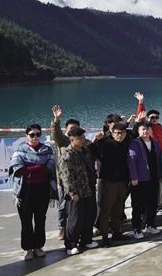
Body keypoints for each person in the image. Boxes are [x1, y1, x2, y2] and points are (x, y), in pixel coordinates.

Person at [10, 125, 56, 260]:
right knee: (26, 221)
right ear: (26, 136)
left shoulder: (47, 150)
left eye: (38, 134)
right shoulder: (20, 150)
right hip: (25, 190)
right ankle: (28, 248)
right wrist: (39, 167)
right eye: (32, 134)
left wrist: (29, 168)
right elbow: (17, 169)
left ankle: (38, 246)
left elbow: (50, 168)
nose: (35, 137)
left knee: (40, 220)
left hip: (42, 190)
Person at [88, 121, 131, 246]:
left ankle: (117, 233)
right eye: (117, 133)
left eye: (122, 133)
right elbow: (91, 150)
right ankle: (105, 236)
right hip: (108, 182)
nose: (119, 135)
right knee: (106, 210)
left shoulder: (126, 143)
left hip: (121, 181)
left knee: (118, 208)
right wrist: (96, 140)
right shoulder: (105, 143)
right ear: (112, 133)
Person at [58, 126, 98, 255]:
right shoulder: (67, 155)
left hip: (88, 188)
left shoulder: (85, 150)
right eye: (79, 138)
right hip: (76, 192)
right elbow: (66, 177)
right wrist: (72, 192)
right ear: (72, 140)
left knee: (89, 216)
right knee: (75, 219)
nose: (83, 140)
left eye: (83, 137)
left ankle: (86, 240)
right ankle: (70, 245)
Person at [50, 105, 80, 240]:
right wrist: (56, 120)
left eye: (75, 128)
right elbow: (55, 134)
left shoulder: (82, 141)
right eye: (70, 129)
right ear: (66, 130)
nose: (72, 131)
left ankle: (76, 227)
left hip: (79, 180)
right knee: (63, 205)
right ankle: (62, 227)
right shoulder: (63, 140)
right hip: (64, 180)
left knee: (78, 205)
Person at [128, 121, 162, 239]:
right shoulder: (134, 143)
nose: (145, 131)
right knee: (138, 205)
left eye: (147, 129)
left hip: (153, 177)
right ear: (138, 131)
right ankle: (136, 228)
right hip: (140, 179)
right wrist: (134, 177)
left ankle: (150, 225)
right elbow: (131, 161)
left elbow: (158, 159)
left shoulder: (155, 142)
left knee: (152, 203)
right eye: (143, 129)